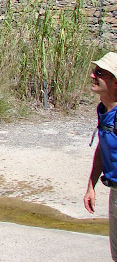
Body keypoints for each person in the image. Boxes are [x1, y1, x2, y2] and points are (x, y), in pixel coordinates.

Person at [84, 52, 117, 260]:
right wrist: (91, 186)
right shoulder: (103, 109)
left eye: (99, 72)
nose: (92, 76)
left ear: (115, 82)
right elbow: (101, 147)